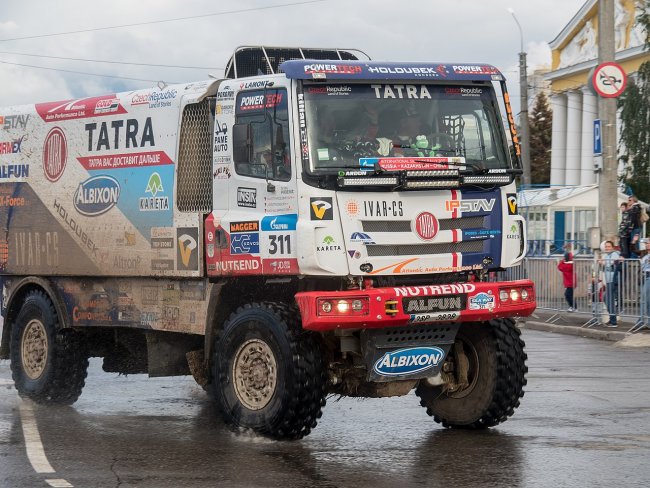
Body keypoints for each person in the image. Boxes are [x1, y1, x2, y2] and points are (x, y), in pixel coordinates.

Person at [600, 240, 622, 327]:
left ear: (612, 247)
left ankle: (613, 321)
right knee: (606, 298)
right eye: (606, 246)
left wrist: (604, 263)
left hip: (613, 280)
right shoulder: (607, 255)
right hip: (609, 280)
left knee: (609, 299)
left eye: (609, 246)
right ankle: (612, 318)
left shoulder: (615, 254)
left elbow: (614, 264)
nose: (607, 248)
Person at [635, 238, 650, 330]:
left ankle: (641, 321)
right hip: (643, 277)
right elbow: (633, 250)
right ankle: (646, 321)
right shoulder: (644, 254)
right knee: (645, 301)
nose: (647, 244)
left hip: (649, 277)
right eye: (647, 243)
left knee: (645, 300)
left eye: (649, 243)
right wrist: (634, 241)